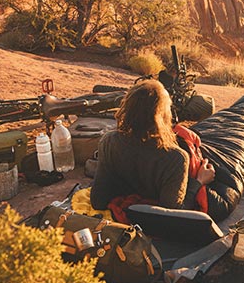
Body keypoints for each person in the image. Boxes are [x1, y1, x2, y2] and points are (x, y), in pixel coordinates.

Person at [89, 80, 215, 213]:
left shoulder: (109, 141)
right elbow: (172, 213)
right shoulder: (175, 158)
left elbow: (98, 201)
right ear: (163, 115)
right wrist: (200, 181)